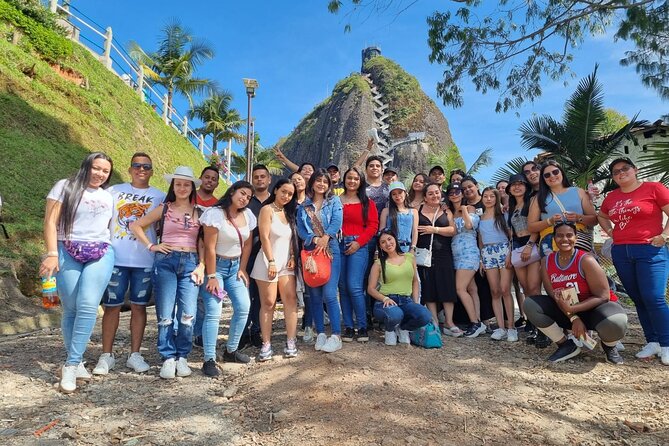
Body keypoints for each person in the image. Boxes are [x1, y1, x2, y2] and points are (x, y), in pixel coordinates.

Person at [40, 152, 115, 393]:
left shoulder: (108, 196)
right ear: (86, 166)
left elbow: (112, 227)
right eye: (96, 168)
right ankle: (79, 359)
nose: (100, 174)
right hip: (66, 248)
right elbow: (50, 222)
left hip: (101, 251)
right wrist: (52, 253)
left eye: (105, 171)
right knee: (70, 307)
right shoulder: (65, 186)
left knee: (87, 305)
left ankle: (71, 365)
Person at [93, 152, 165, 376]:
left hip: (144, 259)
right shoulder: (113, 191)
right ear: (130, 168)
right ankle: (106, 355)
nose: (141, 169)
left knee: (139, 306)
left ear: (152, 171)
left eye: (146, 166)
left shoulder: (160, 196)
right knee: (111, 306)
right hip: (115, 257)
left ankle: (135, 354)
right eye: (137, 165)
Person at [130, 166, 205, 379]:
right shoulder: (164, 208)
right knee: (165, 314)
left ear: (192, 188)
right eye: (178, 184)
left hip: (191, 261)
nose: (182, 188)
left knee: (188, 314)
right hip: (165, 261)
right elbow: (136, 226)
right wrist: (152, 246)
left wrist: (202, 266)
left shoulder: (199, 212)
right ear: (173, 186)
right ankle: (167, 356)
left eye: (186, 184)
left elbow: (203, 242)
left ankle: (182, 356)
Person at [524, 222, 627, 363]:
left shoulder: (586, 260)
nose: (564, 239)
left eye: (569, 235)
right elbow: (554, 296)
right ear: (554, 239)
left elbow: (603, 296)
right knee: (531, 304)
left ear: (576, 238)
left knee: (617, 320)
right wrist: (574, 318)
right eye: (559, 236)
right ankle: (566, 345)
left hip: (593, 310)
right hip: (567, 310)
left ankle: (609, 346)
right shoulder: (547, 262)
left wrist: (574, 309)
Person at [598, 157, 669, 364]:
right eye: (616, 172)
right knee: (638, 298)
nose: (621, 173)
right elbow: (602, 216)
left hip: (650, 249)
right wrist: (611, 232)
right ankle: (652, 341)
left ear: (635, 169)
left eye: (625, 168)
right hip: (621, 251)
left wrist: (664, 235)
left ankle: (666, 343)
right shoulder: (612, 196)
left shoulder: (653, 188)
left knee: (654, 297)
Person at [198, 181, 257, 375]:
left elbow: (247, 245)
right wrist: (212, 275)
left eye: (248, 197)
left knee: (243, 307)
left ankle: (231, 350)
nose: (244, 198)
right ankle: (209, 359)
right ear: (232, 192)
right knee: (214, 312)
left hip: (234, 268)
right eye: (242, 193)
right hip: (216, 267)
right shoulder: (214, 214)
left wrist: (242, 269)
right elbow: (210, 247)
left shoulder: (248, 215)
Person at [251, 179, 299, 361]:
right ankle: (266, 344)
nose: (286, 196)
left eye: (290, 194)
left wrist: (293, 256)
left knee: (291, 300)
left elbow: (292, 238)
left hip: (287, 263)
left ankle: (291, 341)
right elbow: (263, 237)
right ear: (276, 190)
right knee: (269, 303)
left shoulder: (289, 212)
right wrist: (271, 261)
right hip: (267, 261)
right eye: (284, 192)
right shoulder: (267, 209)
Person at [296, 168, 344, 353]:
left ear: (329, 184)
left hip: (331, 250)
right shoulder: (304, 206)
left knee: (330, 294)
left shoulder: (333, 201)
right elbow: (301, 228)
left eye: (325, 181)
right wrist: (314, 239)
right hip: (311, 252)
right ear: (312, 183)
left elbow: (337, 222)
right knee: (314, 295)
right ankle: (321, 333)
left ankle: (336, 335)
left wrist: (326, 237)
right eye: (318, 181)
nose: (321, 184)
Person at [368, 230, 433, 345]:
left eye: (389, 239)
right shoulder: (378, 263)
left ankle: (403, 328)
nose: (387, 244)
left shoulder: (409, 257)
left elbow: (415, 281)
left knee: (425, 316)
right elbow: (371, 289)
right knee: (396, 315)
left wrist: (416, 301)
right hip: (386, 302)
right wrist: (385, 299)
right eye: (383, 242)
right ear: (380, 247)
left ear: (395, 240)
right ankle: (389, 330)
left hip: (406, 300)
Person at [339, 167, 379, 342]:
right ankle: (348, 326)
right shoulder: (335, 200)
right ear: (344, 179)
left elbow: (373, 225)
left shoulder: (366, 202)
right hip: (338, 243)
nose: (352, 181)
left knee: (354, 286)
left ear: (360, 181)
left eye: (356, 178)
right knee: (343, 287)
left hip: (359, 244)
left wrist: (358, 243)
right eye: (349, 178)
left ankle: (362, 326)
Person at [527, 161, 598, 257]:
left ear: (561, 173)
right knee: (554, 271)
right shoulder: (538, 198)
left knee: (583, 270)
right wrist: (549, 221)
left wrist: (578, 218)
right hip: (551, 242)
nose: (552, 176)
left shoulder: (579, 192)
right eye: (547, 175)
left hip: (578, 241)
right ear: (543, 179)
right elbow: (531, 227)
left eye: (555, 172)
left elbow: (594, 219)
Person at [446, 182, 486, 338]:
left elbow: (469, 226)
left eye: (458, 192)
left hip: (468, 253)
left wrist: (463, 210)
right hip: (455, 253)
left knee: (459, 289)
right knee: (471, 289)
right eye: (451, 193)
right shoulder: (449, 211)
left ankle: (475, 322)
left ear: (462, 194)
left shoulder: (469, 209)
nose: (455, 195)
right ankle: (478, 321)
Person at [239, 164, 272, 349]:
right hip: (245, 254)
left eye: (263, 176)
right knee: (244, 295)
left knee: (261, 297)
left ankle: (257, 331)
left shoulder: (275, 201)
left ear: (269, 180)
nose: (259, 179)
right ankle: (242, 333)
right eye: (256, 177)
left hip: (267, 255)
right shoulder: (245, 201)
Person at [416, 183, 458, 329]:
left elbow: (453, 230)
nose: (435, 196)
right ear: (425, 197)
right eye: (431, 194)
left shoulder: (446, 211)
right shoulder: (418, 210)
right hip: (423, 254)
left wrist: (434, 229)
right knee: (428, 287)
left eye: (437, 192)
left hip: (443, 253)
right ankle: (433, 320)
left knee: (446, 286)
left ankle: (449, 321)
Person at [479, 187, 517, 342]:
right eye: (485, 196)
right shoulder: (480, 218)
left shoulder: (503, 215)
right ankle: (500, 327)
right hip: (488, 253)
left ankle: (511, 327)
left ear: (496, 198)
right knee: (494, 291)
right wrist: (482, 258)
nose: (488, 199)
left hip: (503, 250)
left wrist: (510, 254)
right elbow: (480, 239)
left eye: (491, 196)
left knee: (505, 289)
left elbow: (511, 237)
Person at [506, 174, 541, 332]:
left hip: (531, 242)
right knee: (525, 287)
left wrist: (529, 245)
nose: (517, 187)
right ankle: (532, 321)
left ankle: (542, 325)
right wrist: (509, 253)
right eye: (513, 185)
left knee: (534, 287)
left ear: (526, 187)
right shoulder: (512, 206)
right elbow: (512, 234)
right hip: (517, 245)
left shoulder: (532, 201)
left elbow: (535, 226)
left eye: (520, 184)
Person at [379, 181, 418, 254]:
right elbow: (381, 232)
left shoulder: (414, 211)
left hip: (407, 249)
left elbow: (415, 231)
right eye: (394, 194)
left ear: (405, 193)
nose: (397, 196)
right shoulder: (386, 211)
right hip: (390, 249)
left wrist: (413, 247)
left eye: (400, 192)